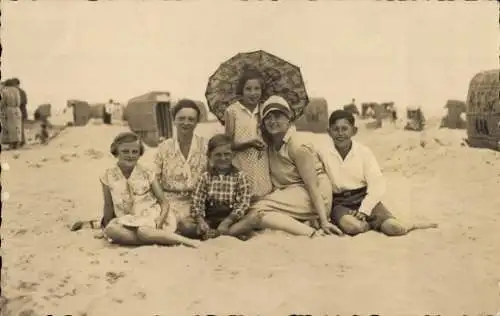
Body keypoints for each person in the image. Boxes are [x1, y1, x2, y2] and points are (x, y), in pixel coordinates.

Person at [231, 95, 343, 237]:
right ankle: (303, 224)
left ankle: (312, 233)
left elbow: (313, 186)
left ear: (288, 119)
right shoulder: (270, 145)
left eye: (278, 116)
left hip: (315, 196)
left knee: (257, 209)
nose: (272, 121)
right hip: (293, 194)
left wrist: (324, 220)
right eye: (268, 117)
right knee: (255, 210)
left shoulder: (297, 145)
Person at [320, 110, 438, 236]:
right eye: (335, 129)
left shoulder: (364, 153)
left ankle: (410, 224)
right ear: (329, 132)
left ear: (354, 131)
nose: (340, 133)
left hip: (363, 198)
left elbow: (377, 185)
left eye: (344, 129)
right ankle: (369, 225)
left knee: (394, 228)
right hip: (340, 203)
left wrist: (364, 210)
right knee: (353, 227)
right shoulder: (323, 153)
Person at [99, 132, 200, 248]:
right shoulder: (107, 175)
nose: (130, 155)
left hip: (151, 216)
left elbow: (164, 202)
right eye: (125, 151)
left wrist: (160, 220)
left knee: (143, 231)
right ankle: (158, 239)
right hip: (126, 220)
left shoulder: (147, 173)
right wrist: (105, 228)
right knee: (111, 230)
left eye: (135, 152)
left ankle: (186, 241)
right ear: (116, 152)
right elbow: (108, 205)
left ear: (140, 153)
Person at [153, 99, 208, 237]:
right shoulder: (164, 147)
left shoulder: (205, 146)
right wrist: (163, 203)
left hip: (197, 203)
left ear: (197, 121)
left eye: (191, 119)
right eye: (181, 118)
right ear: (174, 120)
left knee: (187, 225)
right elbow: (154, 179)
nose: (186, 122)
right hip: (168, 201)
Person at [191, 134, 255, 240]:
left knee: (253, 219)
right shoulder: (205, 177)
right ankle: (215, 233)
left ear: (233, 155)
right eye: (218, 155)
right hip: (210, 220)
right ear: (209, 155)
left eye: (227, 154)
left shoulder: (240, 176)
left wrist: (228, 221)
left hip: (231, 219)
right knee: (184, 225)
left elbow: (244, 202)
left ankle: (219, 233)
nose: (223, 158)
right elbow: (197, 200)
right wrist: (200, 221)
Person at [224, 69, 273, 201]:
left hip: (262, 164)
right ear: (242, 90)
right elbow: (227, 145)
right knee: (243, 199)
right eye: (248, 89)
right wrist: (248, 143)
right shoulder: (232, 111)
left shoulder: (265, 109)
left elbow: (272, 139)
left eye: (257, 88)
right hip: (241, 164)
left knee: (262, 201)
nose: (253, 93)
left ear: (262, 90)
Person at [0, 79, 23, 150]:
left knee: (9, 128)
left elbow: (2, 102)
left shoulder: (4, 91)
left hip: (8, 110)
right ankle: (17, 145)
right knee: (17, 127)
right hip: (17, 109)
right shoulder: (16, 90)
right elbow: (19, 102)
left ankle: (11, 145)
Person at [10, 78, 27, 147]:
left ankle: (21, 142)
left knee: (20, 128)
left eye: (14, 84)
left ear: (17, 84)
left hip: (21, 113)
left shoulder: (21, 92)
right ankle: (16, 143)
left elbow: (23, 102)